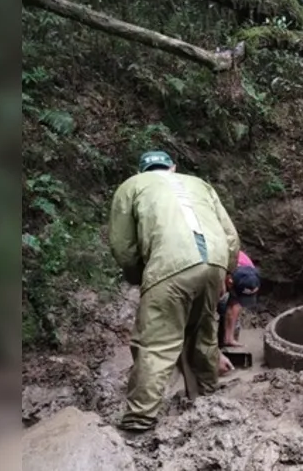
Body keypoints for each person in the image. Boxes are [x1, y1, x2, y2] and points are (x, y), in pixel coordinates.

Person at [108, 150, 240, 431]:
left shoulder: (131, 186)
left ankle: (139, 420)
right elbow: (230, 235)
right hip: (214, 261)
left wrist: (139, 276)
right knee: (202, 334)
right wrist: (224, 271)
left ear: (142, 171)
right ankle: (206, 396)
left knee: (156, 344)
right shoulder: (199, 183)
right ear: (173, 167)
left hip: (169, 265)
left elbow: (123, 246)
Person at [218, 250, 260, 348]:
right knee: (220, 305)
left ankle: (226, 338)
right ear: (230, 282)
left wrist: (230, 339)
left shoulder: (251, 275)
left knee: (227, 306)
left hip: (230, 277)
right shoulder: (218, 272)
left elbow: (235, 306)